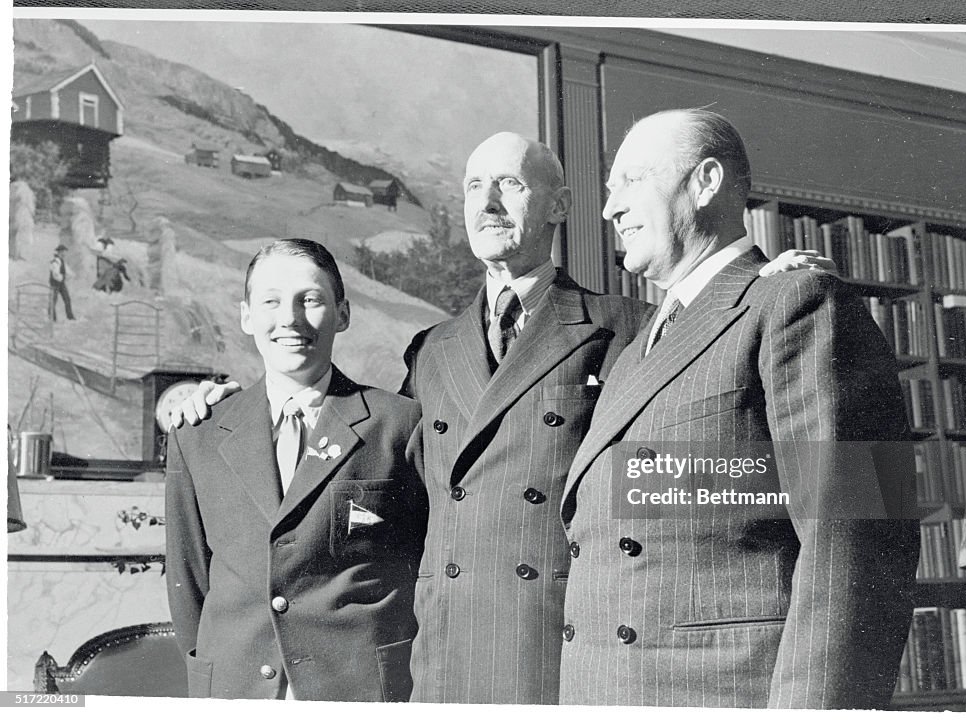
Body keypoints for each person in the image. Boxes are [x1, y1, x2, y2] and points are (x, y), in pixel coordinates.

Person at [171, 134, 832, 704]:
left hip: (563, 643)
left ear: (560, 207)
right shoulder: (430, 352)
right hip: (445, 656)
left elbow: (712, 471)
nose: (487, 205)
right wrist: (207, 400)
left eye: (510, 185)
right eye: (472, 188)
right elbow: (380, 478)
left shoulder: (626, 327)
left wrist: (761, 285)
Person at [557, 109, 919, 708]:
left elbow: (854, 541)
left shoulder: (794, 303)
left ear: (705, 182)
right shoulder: (632, 354)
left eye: (632, 180)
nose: (609, 208)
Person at [164, 238, 426, 701]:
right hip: (235, 688)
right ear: (246, 315)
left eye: (310, 299)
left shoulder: (398, 425)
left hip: (360, 689)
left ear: (342, 314)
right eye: (270, 301)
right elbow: (189, 586)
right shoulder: (198, 434)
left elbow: (421, 572)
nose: (289, 318)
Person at [48, 244, 75, 320]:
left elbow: (67, 270)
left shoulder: (62, 261)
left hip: (61, 284)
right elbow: (55, 275)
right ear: (59, 252)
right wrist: (63, 277)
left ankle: (70, 317)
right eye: (63, 252)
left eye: (65, 252)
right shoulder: (55, 262)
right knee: (53, 301)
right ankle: (52, 318)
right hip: (55, 284)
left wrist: (72, 275)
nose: (64, 254)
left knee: (67, 299)